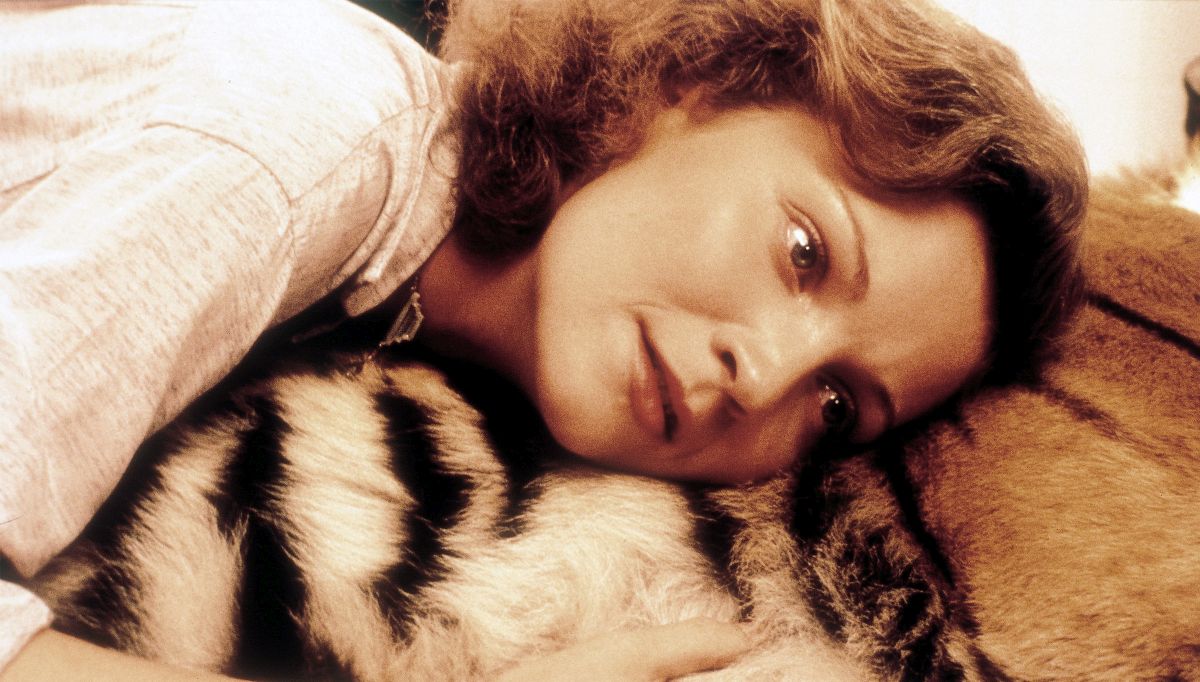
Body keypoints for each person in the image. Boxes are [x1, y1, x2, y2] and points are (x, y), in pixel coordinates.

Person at [0, 0, 1087, 678]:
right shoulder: (306, 142)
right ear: (698, 83)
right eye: (805, 251)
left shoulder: (408, 304)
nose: (762, 375)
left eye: (838, 403)